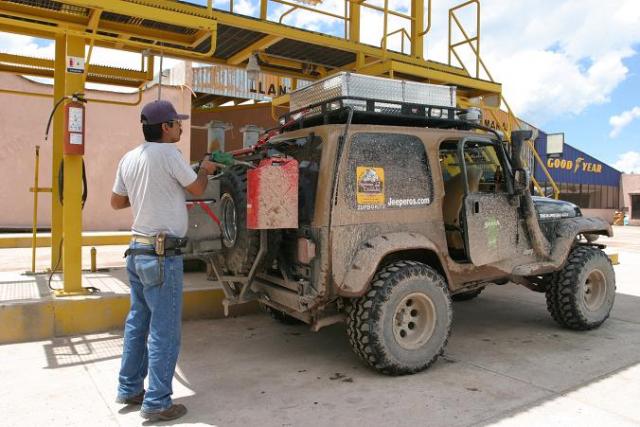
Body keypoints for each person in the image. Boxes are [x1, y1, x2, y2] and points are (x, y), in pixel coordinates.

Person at [111, 99, 217, 422]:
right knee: (164, 331)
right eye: (177, 123)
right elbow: (197, 187)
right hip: (161, 256)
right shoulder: (171, 155)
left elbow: (116, 202)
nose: (181, 127)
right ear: (165, 127)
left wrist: (145, 192)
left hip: (137, 252)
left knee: (137, 323)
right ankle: (157, 401)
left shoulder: (129, 158)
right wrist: (206, 169)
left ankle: (130, 388)